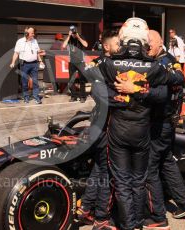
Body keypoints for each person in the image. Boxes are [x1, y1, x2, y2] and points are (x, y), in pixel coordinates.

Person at [117, 30, 185, 229]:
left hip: (159, 123)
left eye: (149, 43)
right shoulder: (161, 61)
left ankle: (157, 217)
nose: (146, 46)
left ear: (160, 44)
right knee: (166, 162)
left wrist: (135, 90)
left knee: (149, 169)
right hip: (165, 123)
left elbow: (170, 87)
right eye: (145, 43)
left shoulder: (163, 63)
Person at [77, 30, 120, 230]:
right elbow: (99, 94)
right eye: (117, 44)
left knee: (100, 168)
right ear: (106, 47)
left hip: (100, 123)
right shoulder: (101, 66)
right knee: (108, 172)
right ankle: (102, 219)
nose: (121, 47)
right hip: (105, 125)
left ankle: (86, 208)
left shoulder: (110, 64)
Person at [10, 27, 43, 104]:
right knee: (24, 82)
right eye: (32, 33)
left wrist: (40, 60)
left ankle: (36, 97)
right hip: (24, 65)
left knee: (35, 81)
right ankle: (26, 97)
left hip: (34, 64)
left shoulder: (35, 41)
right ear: (26, 33)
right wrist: (13, 62)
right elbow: (16, 53)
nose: (33, 34)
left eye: (33, 33)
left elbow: (38, 52)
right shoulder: (20, 42)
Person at [62, 25, 88, 103]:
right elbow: (63, 46)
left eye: (74, 31)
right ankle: (73, 96)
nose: (73, 33)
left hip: (81, 62)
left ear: (76, 31)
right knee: (71, 80)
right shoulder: (69, 38)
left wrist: (78, 37)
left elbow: (86, 45)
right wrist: (69, 36)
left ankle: (83, 96)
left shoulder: (80, 36)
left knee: (82, 80)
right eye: (72, 32)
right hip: (72, 62)